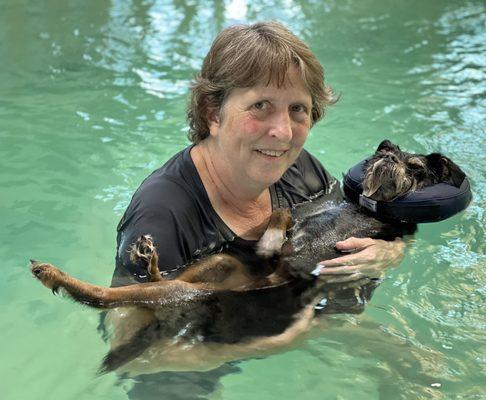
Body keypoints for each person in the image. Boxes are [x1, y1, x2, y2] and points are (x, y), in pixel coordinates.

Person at [111, 21, 405, 288]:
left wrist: (387, 252)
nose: (284, 132)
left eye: (297, 109)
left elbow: (354, 230)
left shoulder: (299, 169)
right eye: (261, 106)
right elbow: (133, 339)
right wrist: (287, 338)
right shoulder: (160, 218)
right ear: (212, 114)